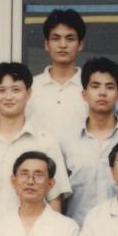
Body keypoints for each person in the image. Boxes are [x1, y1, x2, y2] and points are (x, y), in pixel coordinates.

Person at [0, 62, 71, 220]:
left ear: (29, 93)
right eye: (1, 90)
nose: (8, 97)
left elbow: (55, 198)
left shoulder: (45, 142)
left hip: (32, 231)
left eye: (16, 90)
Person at [61, 56, 118, 226]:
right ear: (84, 94)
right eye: (95, 86)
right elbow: (59, 196)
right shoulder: (67, 142)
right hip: (79, 232)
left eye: (109, 87)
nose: (102, 93)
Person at [26, 8, 88, 146]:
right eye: (56, 38)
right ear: (46, 44)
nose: (63, 45)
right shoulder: (31, 87)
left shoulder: (90, 87)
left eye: (70, 39)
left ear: (80, 45)